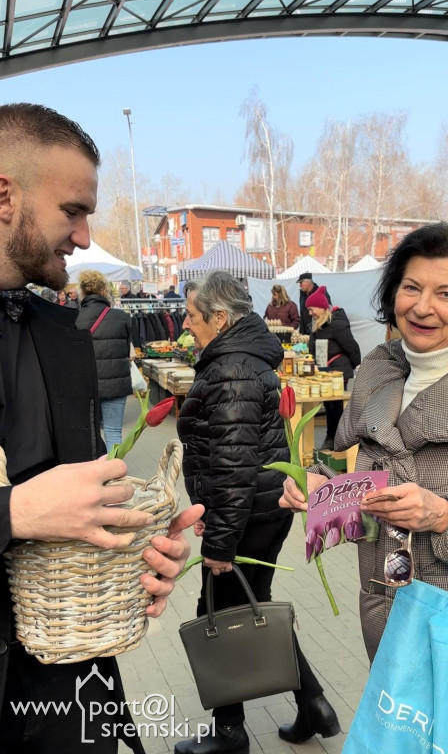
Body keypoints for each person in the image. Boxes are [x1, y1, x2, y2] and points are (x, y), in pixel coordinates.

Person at [0, 102, 203, 753]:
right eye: (72, 210)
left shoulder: (62, 340)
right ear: (4, 195)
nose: (85, 237)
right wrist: (12, 513)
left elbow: (84, 512)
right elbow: (29, 512)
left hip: (67, 694)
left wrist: (138, 546)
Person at [281, 222, 448, 675]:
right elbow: (389, 491)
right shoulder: (384, 378)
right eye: (411, 287)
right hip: (394, 627)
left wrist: (446, 518)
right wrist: (327, 491)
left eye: (446, 294)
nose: (422, 307)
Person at [175, 270, 339, 754]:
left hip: (246, 514)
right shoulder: (242, 358)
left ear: (219, 318)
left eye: (193, 315)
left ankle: (229, 731)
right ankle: (313, 702)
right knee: (254, 610)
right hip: (261, 508)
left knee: (220, 611)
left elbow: (232, 463)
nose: (187, 325)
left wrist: (219, 543)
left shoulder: (232, 368)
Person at [76, 269, 133, 453]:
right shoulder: (121, 317)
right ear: (104, 291)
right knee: (113, 431)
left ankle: (94, 473)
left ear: (82, 292)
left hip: (85, 386)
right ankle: (115, 473)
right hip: (116, 384)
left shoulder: (72, 318)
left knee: (87, 433)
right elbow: (125, 351)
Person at [306, 286, 361, 450]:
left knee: (336, 407)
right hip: (325, 371)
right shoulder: (319, 325)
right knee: (330, 406)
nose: (310, 313)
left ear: (322, 307)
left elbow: (351, 347)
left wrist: (353, 365)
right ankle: (333, 438)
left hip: (337, 371)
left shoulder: (336, 324)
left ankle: (337, 440)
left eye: (311, 309)